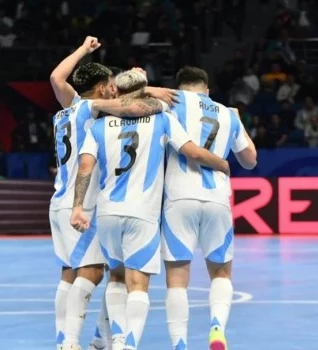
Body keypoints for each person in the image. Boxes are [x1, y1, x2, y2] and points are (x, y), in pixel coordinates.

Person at [70, 70, 231, 350]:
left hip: (107, 212)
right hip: (143, 213)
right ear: (146, 91)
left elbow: (85, 168)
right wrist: (222, 164)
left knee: (116, 277)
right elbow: (192, 151)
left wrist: (78, 207)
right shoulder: (162, 120)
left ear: (115, 92)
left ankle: (115, 339)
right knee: (138, 285)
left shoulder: (96, 127)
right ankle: (129, 344)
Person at [49, 36, 174, 350]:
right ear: (103, 87)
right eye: (109, 84)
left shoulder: (65, 112)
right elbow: (129, 106)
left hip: (59, 201)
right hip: (83, 203)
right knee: (95, 272)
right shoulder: (91, 108)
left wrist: (82, 49)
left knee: (72, 272)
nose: (112, 88)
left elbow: (55, 77)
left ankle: (92, 339)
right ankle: (71, 341)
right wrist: (148, 90)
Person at [161, 66, 257, 350]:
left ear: (178, 87)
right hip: (217, 199)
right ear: (207, 90)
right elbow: (250, 160)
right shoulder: (228, 112)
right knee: (221, 274)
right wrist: (238, 123)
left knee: (177, 279)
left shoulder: (171, 104)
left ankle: (179, 344)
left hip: (179, 197)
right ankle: (217, 326)